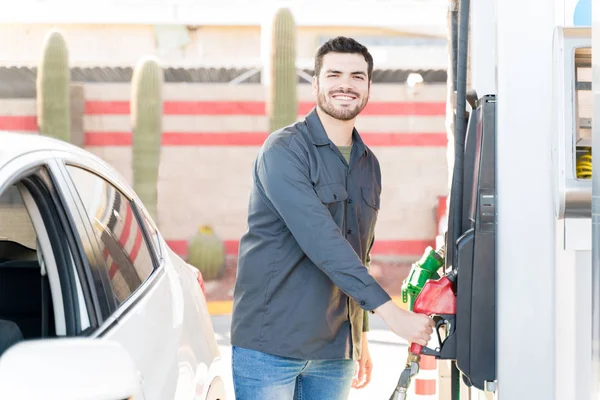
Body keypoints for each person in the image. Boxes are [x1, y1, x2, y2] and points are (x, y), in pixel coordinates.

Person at [230, 36, 434, 400]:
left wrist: (361, 336)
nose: (346, 84)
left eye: (357, 76)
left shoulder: (368, 164)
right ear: (316, 84)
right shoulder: (284, 151)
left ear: (368, 86)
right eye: (334, 74)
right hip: (271, 347)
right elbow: (322, 241)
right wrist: (392, 315)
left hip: (335, 352)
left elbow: (359, 253)